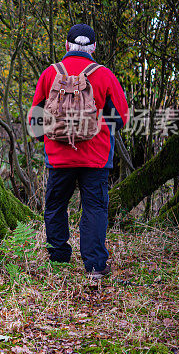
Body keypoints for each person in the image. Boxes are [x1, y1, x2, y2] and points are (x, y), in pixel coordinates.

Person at [28, 24, 129, 279]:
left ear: (66, 46)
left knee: (55, 205)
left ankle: (59, 257)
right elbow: (123, 117)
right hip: (95, 157)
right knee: (94, 207)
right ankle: (95, 265)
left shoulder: (51, 73)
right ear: (94, 47)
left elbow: (35, 117)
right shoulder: (104, 75)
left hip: (59, 157)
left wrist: (49, 140)